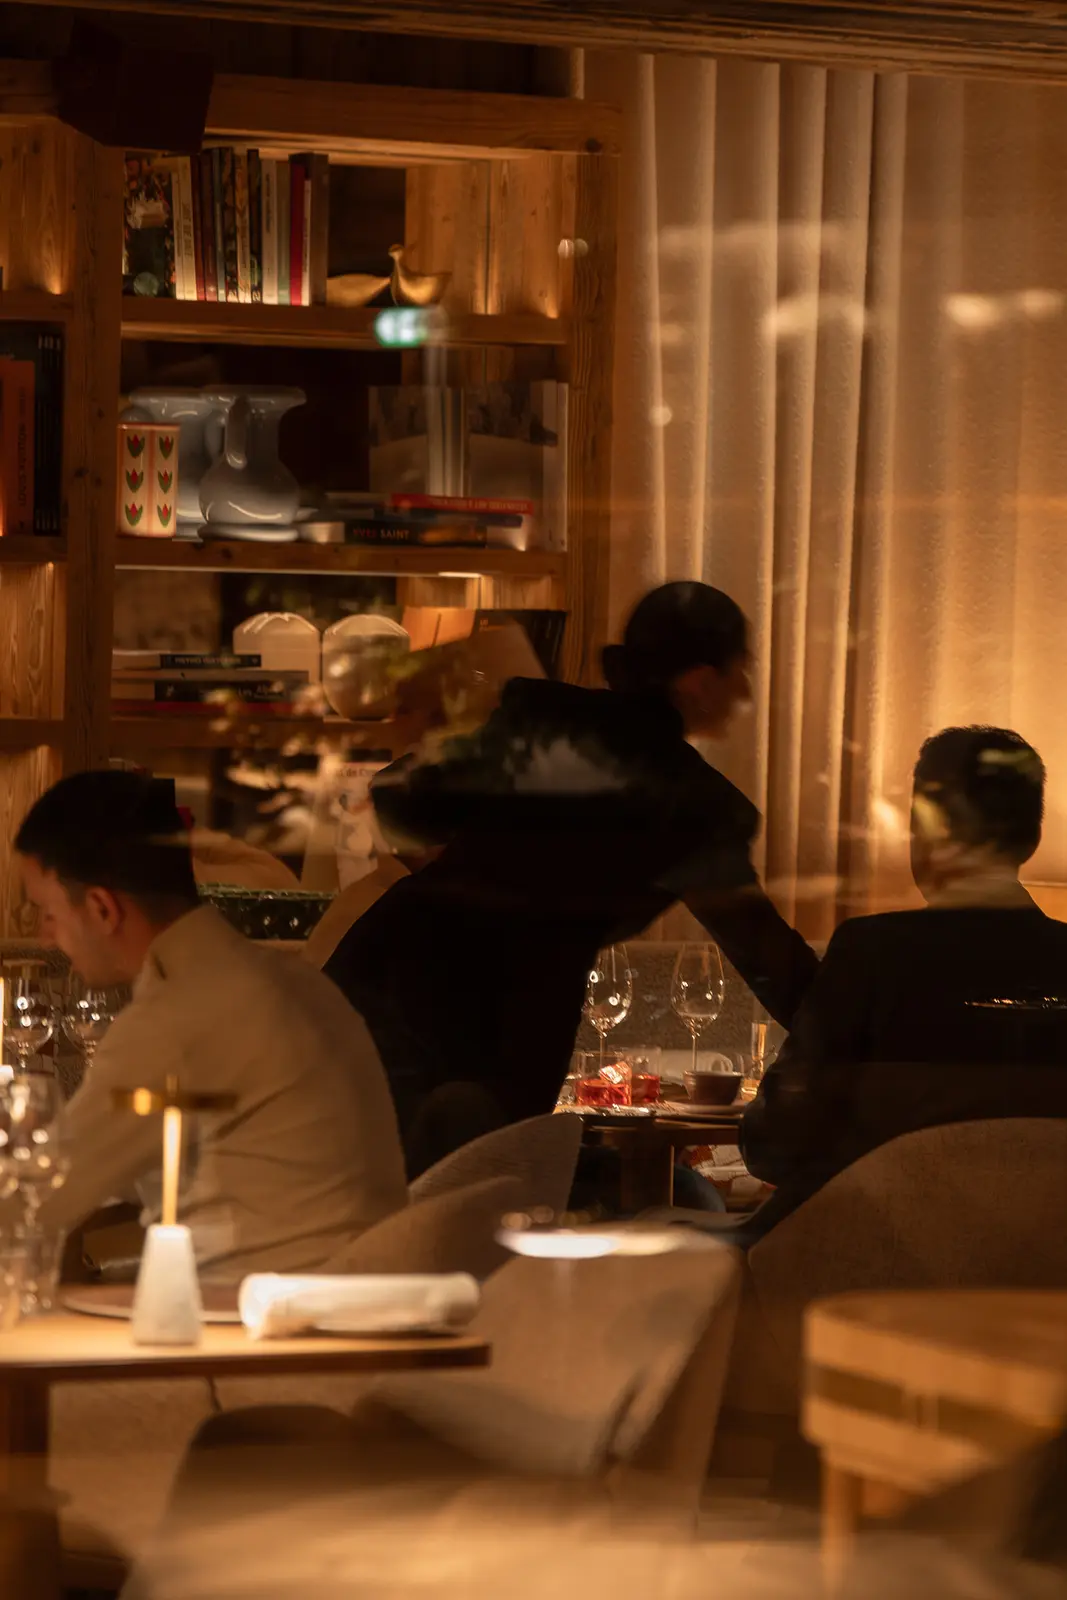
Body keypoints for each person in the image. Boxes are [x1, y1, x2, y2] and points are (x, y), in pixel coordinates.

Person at [325, 582, 818, 1169]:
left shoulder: (541, 718)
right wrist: (864, 1028)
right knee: (469, 1186)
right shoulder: (693, 804)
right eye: (739, 671)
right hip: (504, 1016)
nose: (744, 691)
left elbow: (396, 795)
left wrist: (465, 872)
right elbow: (768, 958)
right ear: (699, 681)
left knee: (361, 1181)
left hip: (381, 971)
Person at [17, 771, 407, 1281]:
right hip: (355, 1294)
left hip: (265, 1315)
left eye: (47, 913)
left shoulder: (176, 1018)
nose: (45, 938)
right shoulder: (292, 982)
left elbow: (37, 1202)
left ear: (102, 908)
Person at [740, 726, 1067, 1231]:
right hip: (1042, 1262)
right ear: (1033, 838)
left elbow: (778, 1142)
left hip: (877, 1258)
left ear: (923, 832)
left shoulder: (871, 953)